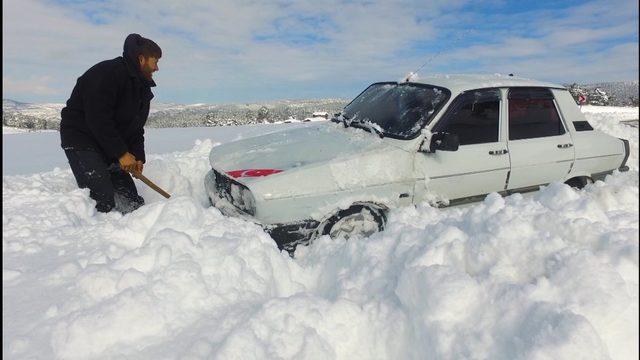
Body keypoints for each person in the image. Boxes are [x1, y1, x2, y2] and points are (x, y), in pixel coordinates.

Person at [60, 33, 161, 213]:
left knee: (132, 202)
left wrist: (137, 157)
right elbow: (98, 118)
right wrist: (122, 153)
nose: (157, 68)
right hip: (81, 139)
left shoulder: (142, 89)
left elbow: (136, 128)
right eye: (155, 61)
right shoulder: (108, 73)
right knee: (102, 199)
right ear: (141, 59)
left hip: (108, 143)